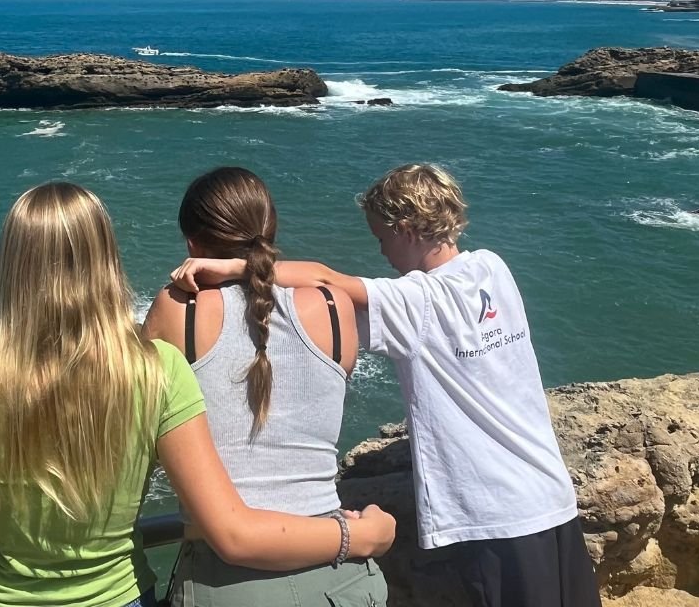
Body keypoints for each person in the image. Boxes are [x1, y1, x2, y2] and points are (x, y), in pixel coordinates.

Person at [0, 182, 395, 607]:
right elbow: (228, 523)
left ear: (11, 265)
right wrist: (360, 536)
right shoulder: (157, 370)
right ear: (107, 258)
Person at [170, 164, 601, 607]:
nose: (381, 252)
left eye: (381, 238)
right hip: (550, 493)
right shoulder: (493, 268)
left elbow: (325, 280)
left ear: (408, 229)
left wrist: (235, 269)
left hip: (492, 511)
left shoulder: (416, 302)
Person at [142, 167, 388, 607]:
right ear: (270, 230)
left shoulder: (179, 310)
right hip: (341, 572)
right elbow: (323, 278)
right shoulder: (335, 309)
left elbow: (142, 426)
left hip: (227, 582)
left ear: (192, 245)